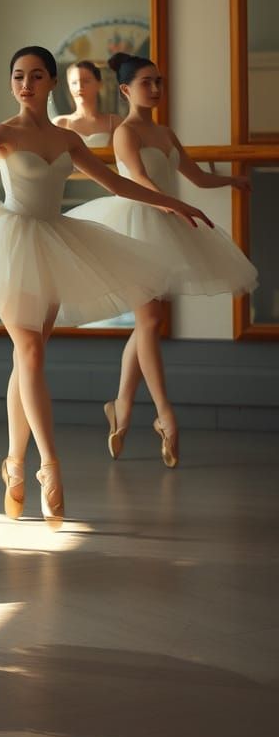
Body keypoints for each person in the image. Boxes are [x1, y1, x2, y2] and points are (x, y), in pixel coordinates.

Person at [0, 46, 211, 528]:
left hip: (54, 244)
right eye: (18, 76)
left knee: (28, 358)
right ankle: (49, 465)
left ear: (50, 84)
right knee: (31, 352)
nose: (26, 84)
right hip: (8, 241)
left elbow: (118, 183)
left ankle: (13, 463)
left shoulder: (68, 141)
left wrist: (175, 205)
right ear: (12, 84)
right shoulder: (2, 133)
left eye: (36, 76)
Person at [68, 53, 256, 467]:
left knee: (148, 323)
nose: (154, 89)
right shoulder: (125, 132)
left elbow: (195, 176)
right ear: (125, 90)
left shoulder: (165, 133)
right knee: (150, 322)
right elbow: (140, 180)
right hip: (136, 226)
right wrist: (176, 208)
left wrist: (231, 178)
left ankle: (120, 407)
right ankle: (165, 415)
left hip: (167, 223)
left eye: (159, 81)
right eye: (146, 82)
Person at [53, 59, 121, 146]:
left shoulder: (115, 122)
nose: (79, 87)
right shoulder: (60, 124)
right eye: (74, 83)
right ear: (69, 86)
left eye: (86, 81)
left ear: (99, 84)